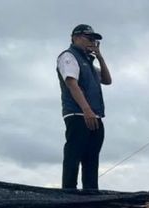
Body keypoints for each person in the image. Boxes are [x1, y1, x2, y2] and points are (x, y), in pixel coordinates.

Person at [57, 24, 112, 190]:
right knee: (74, 156)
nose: (92, 42)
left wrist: (100, 57)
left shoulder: (88, 61)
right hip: (77, 114)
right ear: (76, 37)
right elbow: (71, 83)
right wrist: (86, 110)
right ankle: (68, 193)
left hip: (95, 115)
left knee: (91, 158)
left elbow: (107, 80)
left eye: (94, 40)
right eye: (89, 38)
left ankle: (91, 192)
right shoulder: (69, 56)